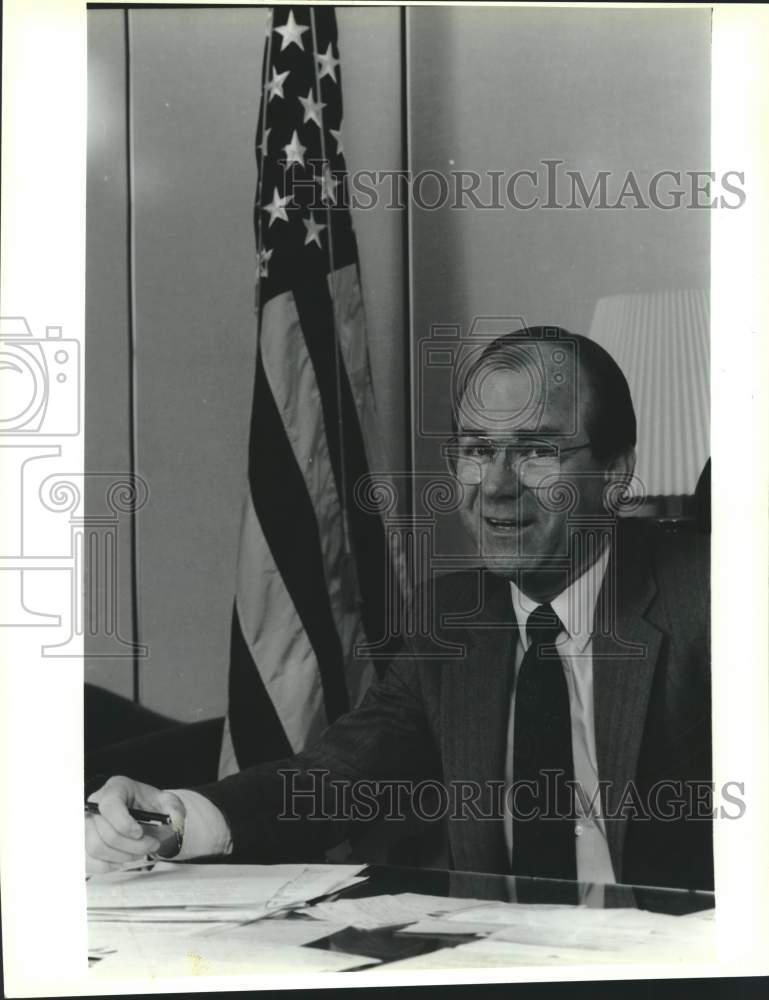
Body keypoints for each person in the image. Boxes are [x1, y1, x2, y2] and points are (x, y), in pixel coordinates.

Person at [86, 327, 711, 890]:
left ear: (617, 473)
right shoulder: (454, 616)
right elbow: (340, 778)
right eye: (475, 448)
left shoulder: (711, 603)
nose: (494, 485)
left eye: (537, 451)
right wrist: (172, 817)